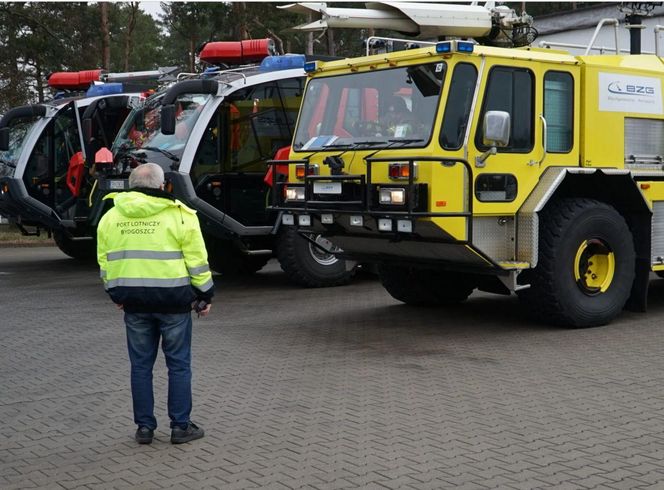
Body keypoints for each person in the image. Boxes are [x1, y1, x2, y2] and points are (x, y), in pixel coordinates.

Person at [97, 162, 214, 445]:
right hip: (173, 303)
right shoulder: (181, 215)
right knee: (178, 366)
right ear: (162, 186)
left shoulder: (111, 217)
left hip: (134, 304)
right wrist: (205, 295)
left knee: (140, 367)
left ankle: (145, 428)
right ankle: (180, 427)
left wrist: (116, 294)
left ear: (131, 185)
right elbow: (197, 262)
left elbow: (105, 263)